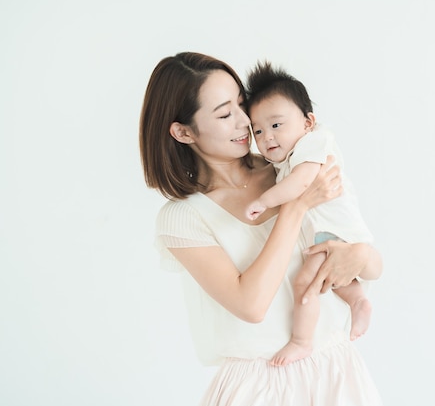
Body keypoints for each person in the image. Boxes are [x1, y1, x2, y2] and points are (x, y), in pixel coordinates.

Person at [139, 52, 384, 406]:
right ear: (183, 131)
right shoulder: (184, 217)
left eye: (242, 104)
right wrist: (296, 206)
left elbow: (373, 265)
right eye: (225, 114)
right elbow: (251, 305)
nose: (244, 122)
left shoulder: (288, 166)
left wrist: (359, 253)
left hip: (337, 371)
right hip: (260, 386)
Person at [244, 61, 374, 367]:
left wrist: (264, 200)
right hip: (332, 232)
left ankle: (302, 341)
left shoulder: (313, 143)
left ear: (307, 122)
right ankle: (358, 301)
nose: (267, 138)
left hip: (336, 230)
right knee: (333, 278)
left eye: (276, 125)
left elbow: (302, 183)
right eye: (258, 131)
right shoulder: (289, 155)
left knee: (304, 285)